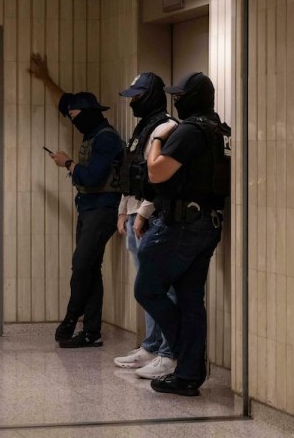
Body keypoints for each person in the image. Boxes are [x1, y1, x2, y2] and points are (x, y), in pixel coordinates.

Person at [135, 71, 230, 396]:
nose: (176, 101)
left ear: (192, 99)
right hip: (209, 225)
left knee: (147, 289)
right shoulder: (222, 131)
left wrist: (158, 139)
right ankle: (188, 376)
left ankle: (189, 359)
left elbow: (156, 171)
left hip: (180, 226)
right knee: (191, 299)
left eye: (180, 96)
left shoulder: (189, 130)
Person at [28, 54, 124, 348]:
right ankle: (92, 332)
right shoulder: (92, 129)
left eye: (74, 116)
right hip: (88, 209)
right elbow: (64, 102)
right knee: (90, 268)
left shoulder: (106, 138)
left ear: (87, 112)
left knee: (81, 265)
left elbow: (94, 177)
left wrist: (68, 164)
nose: (71, 119)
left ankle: (72, 318)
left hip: (103, 209)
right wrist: (45, 79)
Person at [113, 72, 179, 379]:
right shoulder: (142, 128)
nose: (133, 103)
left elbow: (160, 180)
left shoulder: (167, 127)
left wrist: (142, 213)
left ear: (151, 95)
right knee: (145, 287)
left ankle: (168, 351)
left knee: (159, 289)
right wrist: (124, 212)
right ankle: (151, 346)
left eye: (137, 96)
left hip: (152, 218)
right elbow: (132, 174)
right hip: (134, 216)